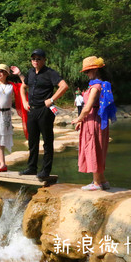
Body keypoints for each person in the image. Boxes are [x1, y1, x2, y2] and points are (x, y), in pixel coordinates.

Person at [18, 49, 69, 179]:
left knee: (47, 140)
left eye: (38, 59)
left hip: (45, 111)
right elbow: (23, 87)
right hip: (32, 110)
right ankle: (31, 168)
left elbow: (64, 86)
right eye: (33, 59)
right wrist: (24, 101)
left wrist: (52, 99)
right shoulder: (30, 72)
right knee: (32, 141)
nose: (35, 61)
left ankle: (45, 170)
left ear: (44, 60)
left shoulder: (50, 73)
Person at [71, 56, 117, 191]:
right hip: (96, 120)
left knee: (93, 148)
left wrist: (78, 118)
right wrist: (82, 120)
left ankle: (96, 183)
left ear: (95, 70)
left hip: (93, 121)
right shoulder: (99, 84)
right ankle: (103, 180)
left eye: (87, 71)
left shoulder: (96, 86)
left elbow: (88, 107)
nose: (86, 74)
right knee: (98, 147)